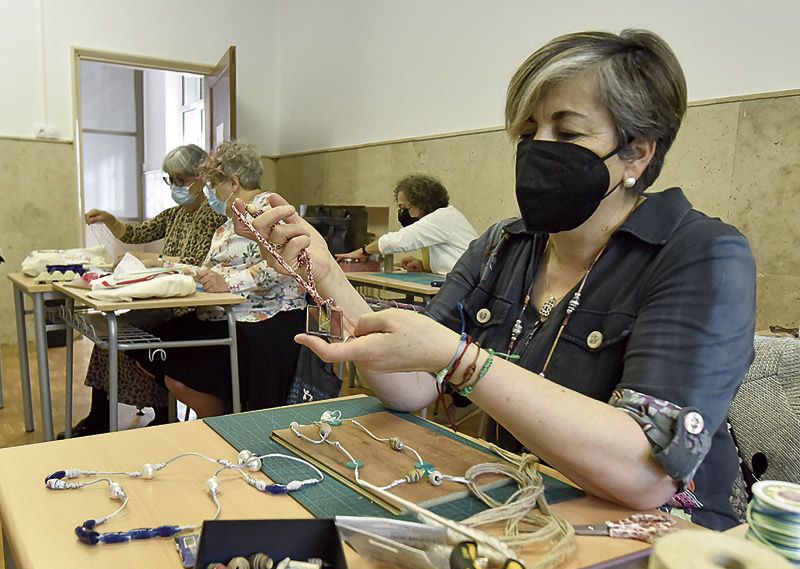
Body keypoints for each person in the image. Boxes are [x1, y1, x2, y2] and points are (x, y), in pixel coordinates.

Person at [241, 30, 757, 529]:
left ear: (637, 153)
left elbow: (646, 474)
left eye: (569, 133)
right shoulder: (503, 246)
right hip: (519, 507)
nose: (538, 150)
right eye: (529, 133)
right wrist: (327, 272)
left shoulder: (701, 255)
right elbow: (414, 384)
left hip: (656, 542)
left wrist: (461, 359)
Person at [128, 141, 306, 417]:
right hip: (224, 315)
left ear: (233, 183)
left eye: (212, 186)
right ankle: (216, 419)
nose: (210, 194)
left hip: (262, 322)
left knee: (175, 361)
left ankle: (222, 423)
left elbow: (284, 265)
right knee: (146, 341)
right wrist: (163, 269)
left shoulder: (271, 210)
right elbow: (208, 271)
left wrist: (229, 283)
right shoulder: (227, 225)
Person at [64, 144, 225, 437]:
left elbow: (203, 266)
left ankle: (162, 414)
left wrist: (159, 261)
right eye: (171, 180)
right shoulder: (175, 215)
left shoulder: (216, 217)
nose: (175, 187)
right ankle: (100, 416)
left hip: (192, 305)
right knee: (106, 338)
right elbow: (139, 234)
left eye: (180, 180)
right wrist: (110, 220)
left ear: (202, 178)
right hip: (164, 298)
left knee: (124, 337)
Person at [336, 174, 477, 274]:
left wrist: (363, 251)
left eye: (404, 208)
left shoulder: (442, 218)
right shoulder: (442, 218)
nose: (402, 213)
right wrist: (423, 266)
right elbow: (451, 258)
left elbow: (397, 241)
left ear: (421, 204)